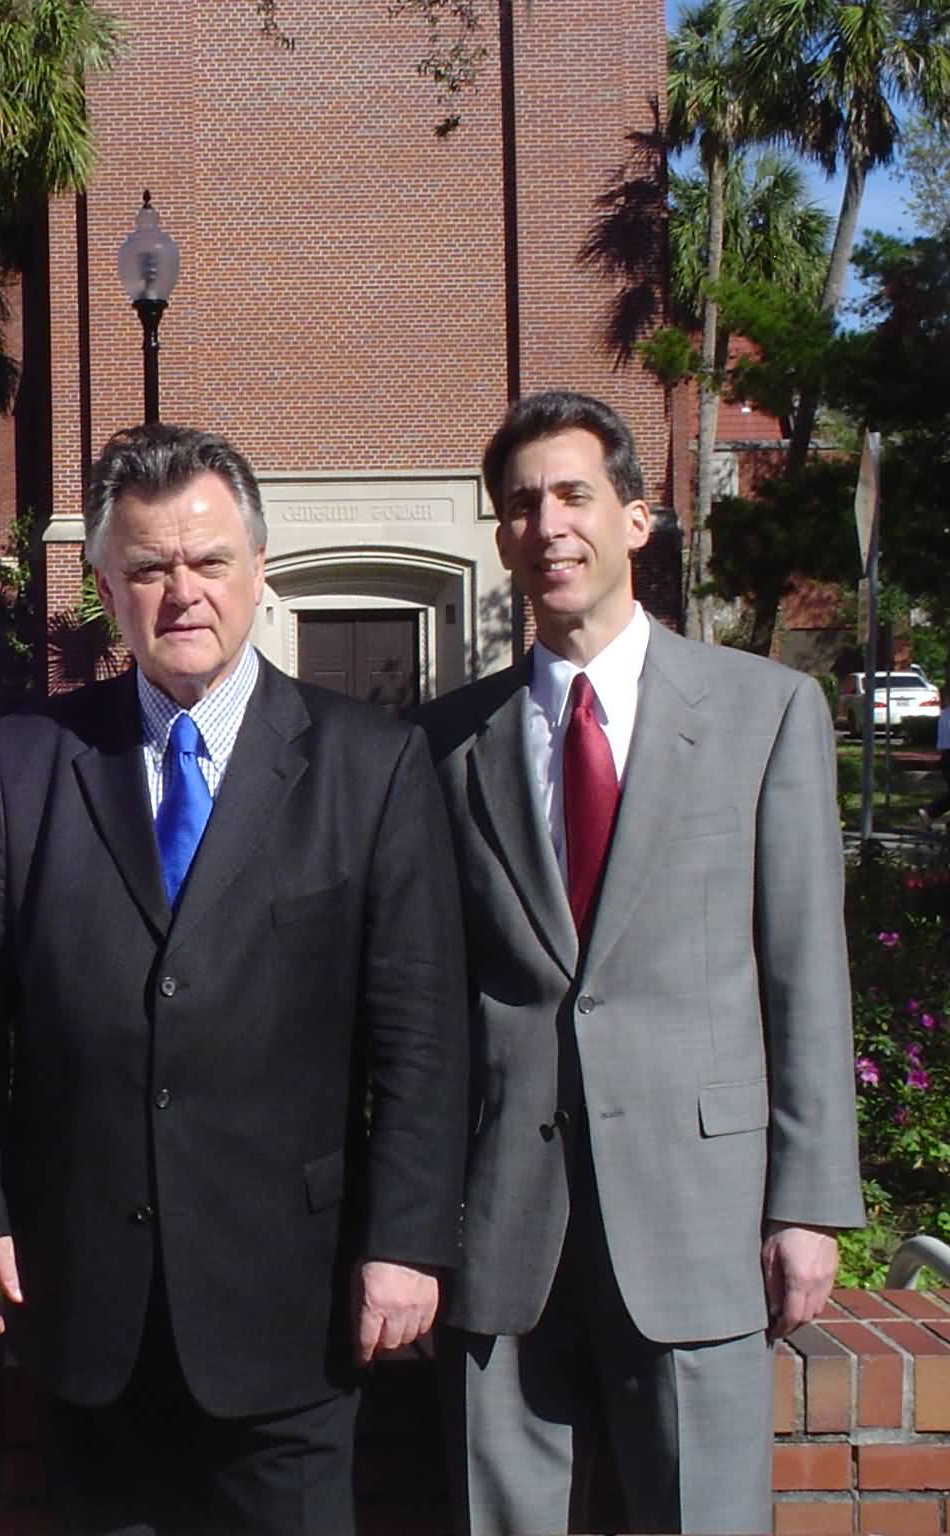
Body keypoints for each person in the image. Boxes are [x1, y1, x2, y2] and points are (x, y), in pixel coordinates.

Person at [0, 422, 469, 1533]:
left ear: (257, 569)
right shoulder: (30, 760)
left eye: (209, 560)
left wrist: (407, 1239)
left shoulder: (370, 764)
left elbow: (418, 1030)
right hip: (85, 1297)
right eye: (148, 568)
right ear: (105, 589)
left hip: (293, 1301)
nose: (182, 592)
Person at [417, 390, 864, 1534]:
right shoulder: (442, 743)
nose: (546, 525)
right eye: (521, 505)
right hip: (502, 1221)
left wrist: (805, 1206)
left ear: (634, 518)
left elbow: (803, 975)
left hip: (697, 1214)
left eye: (572, 495)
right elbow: (423, 1001)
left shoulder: (765, 713)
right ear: (501, 537)